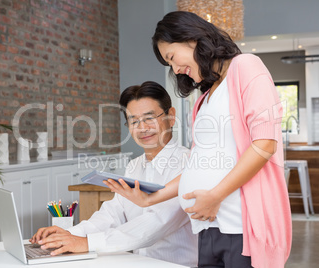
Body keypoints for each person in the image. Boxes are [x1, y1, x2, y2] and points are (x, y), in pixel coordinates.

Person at [104, 11, 292, 268]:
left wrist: (216, 195)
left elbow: (265, 144)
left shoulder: (245, 67)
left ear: (191, 38)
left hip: (240, 226)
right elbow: (198, 165)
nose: (174, 69)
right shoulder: (205, 97)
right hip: (206, 227)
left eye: (171, 58)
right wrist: (151, 199)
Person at [30, 81, 198, 267]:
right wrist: (70, 234)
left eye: (149, 118)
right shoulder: (134, 166)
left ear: (171, 116)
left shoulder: (188, 163)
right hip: (137, 262)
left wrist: (87, 243)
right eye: (134, 121)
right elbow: (112, 214)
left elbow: (157, 223)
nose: (142, 128)